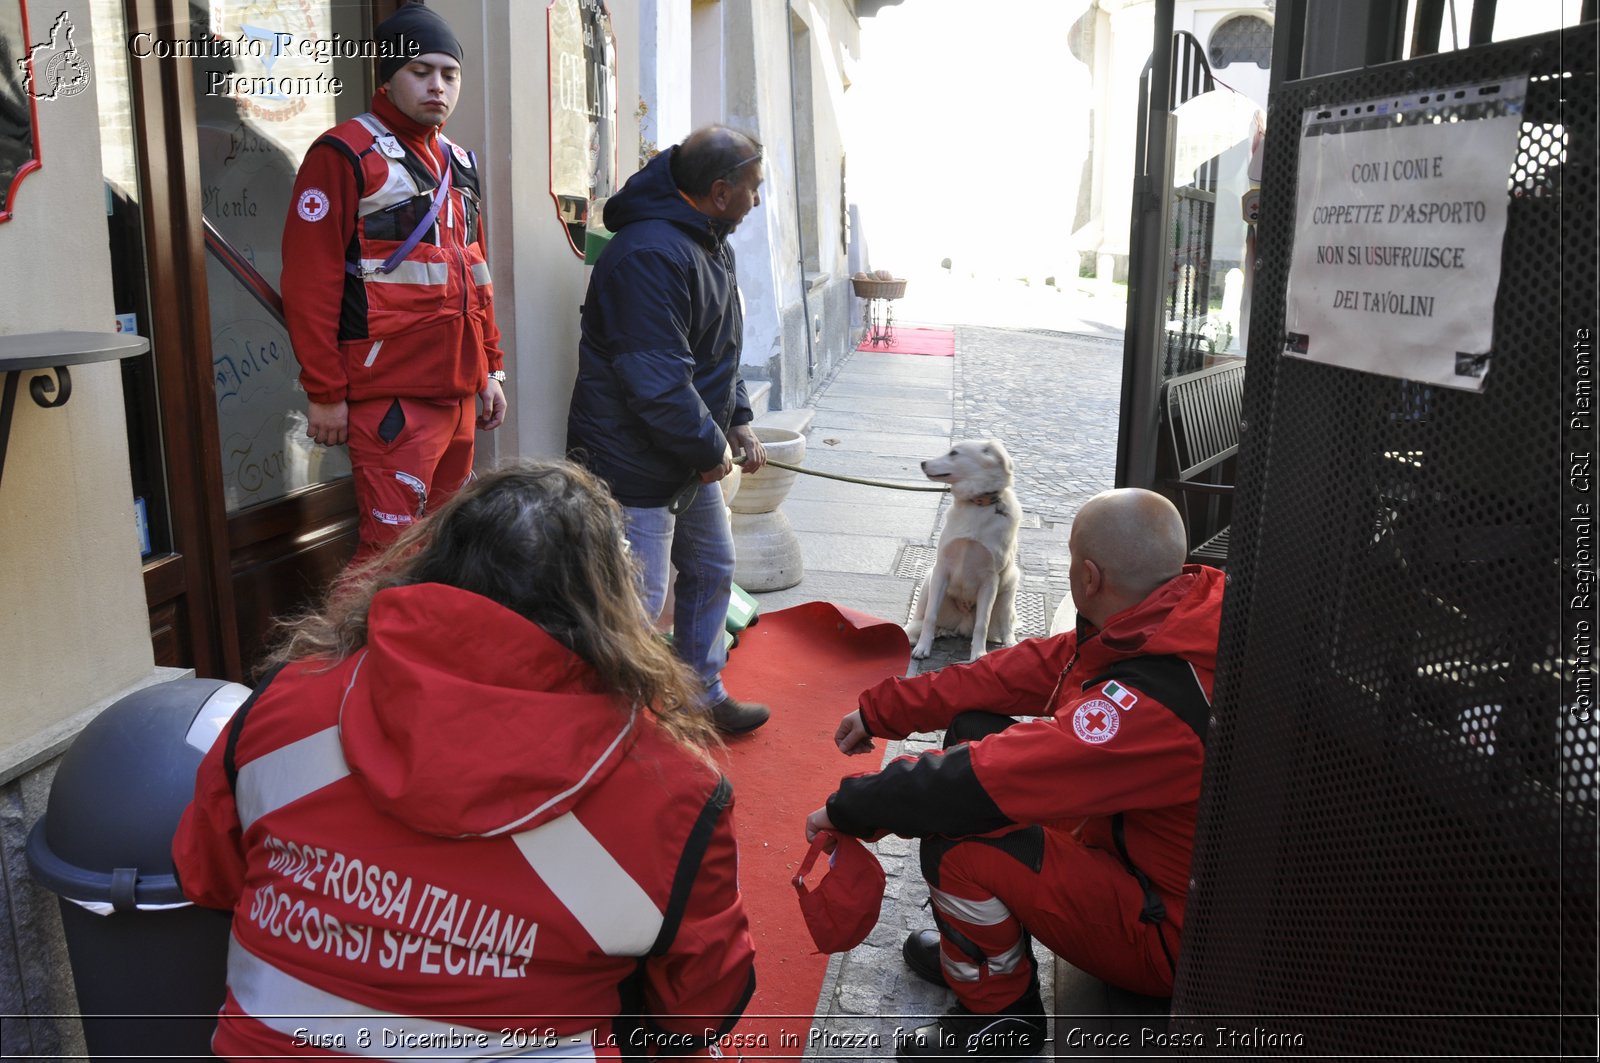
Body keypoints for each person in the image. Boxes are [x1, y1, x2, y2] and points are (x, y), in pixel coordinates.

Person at [172, 461, 757, 1060]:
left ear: (432, 561)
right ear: (610, 604)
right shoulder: (674, 791)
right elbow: (700, 1012)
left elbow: (208, 879)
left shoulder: (287, 700)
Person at [804, 489, 1225, 1061]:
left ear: (1088, 576)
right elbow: (1008, 675)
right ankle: (976, 947)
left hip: (1162, 932)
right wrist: (884, 710)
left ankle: (1001, 1017)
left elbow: (985, 777)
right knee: (974, 727)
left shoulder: (1152, 699)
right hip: (1132, 849)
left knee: (960, 834)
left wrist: (851, 805)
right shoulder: (1161, 619)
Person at [282, 1, 506, 563]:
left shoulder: (459, 161)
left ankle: (432, 652)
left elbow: (474, 273)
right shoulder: (343, 153)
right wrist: (325, 392)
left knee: (451, 551)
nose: (438, 86)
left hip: (458, 395)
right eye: (419, 70)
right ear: (386, 75)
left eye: (449, 74)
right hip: (393, 401)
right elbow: (311, 282)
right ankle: (355, 652)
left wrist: (490, 369)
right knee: (390, 557)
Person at [567, 125, 772, 735]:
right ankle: (612, 720)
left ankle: (698, 691)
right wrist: (711, 450)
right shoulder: (652, 254)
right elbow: (655, 383)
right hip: (631, 461)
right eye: (752, 190)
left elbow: (718, 351)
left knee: (712, 566)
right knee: (640, 597)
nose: (756, 202)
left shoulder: (710, 239)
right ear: (718, 191)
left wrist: (735, 420)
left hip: (685, 449)